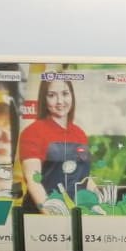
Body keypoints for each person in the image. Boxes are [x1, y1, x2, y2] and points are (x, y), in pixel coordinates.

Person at [21, 78, 91, 211]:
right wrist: (54, 216)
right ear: (44, 99)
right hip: (41, 214)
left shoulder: (79, 133)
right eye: (52, 95)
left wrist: (99, 205)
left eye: (65, 94)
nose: (60, 101)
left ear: (72, 96)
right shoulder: (32, 132)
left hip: (74, 213)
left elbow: (85, 179)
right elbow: (33, 181)